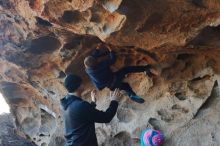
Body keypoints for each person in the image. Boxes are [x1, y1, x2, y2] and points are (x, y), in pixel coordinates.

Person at [84, 44, 159, 104]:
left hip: (111, 86)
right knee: (126, 69)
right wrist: (111, 50)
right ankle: (145, 68)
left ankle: (132, 95)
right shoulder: (102, 65)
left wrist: (97, 49)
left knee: (125, 86)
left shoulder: (88, 71)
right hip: (115, 77)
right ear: (96, 62)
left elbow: (92, 59)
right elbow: (113, 59)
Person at [60, 74, 122, 146]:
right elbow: (106, 117)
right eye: (81, 83)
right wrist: (114, 101)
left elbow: (83, 116)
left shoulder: (65, 104)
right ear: (79, 86)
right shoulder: (81, 105)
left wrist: (93, 103)